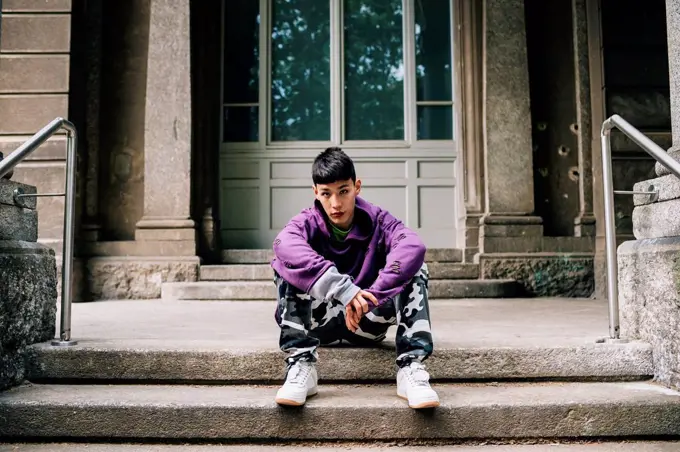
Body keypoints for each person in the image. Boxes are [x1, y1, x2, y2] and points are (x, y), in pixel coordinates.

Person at [270, 147, 439, 410]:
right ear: (316, 192)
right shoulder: (305, 223)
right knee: (285, 263)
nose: (335, 204)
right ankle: (301, 364)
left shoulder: (380, 220)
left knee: (415, 267)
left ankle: (411, 368)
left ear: (357, 187)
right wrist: (344, 290)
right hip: (318, 324)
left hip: (367, 323)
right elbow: (284, 244)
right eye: (326, 193)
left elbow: (413, 246)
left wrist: (371, 297)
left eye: (343, 191)